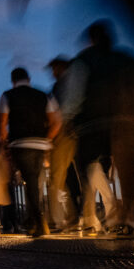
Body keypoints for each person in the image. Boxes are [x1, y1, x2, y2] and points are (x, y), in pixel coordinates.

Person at [64, 21, 134, 236]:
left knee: (87, 165)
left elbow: (74, 95)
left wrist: (69, 118)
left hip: (94, 121)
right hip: (128, 119)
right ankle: (131, 216)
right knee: (128, 167)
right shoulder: (128, 59)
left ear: (91, 40)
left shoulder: (82, 61)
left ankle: (101, 215)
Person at [0, 68, 61, 237]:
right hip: (40, 145)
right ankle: (33, 221)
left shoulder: (7, 96)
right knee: (35, 181)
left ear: (13, 80)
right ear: (29, 78)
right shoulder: (44, 95)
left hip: (20, 143)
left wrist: (5, 145)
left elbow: (2, 125)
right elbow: (56, 121)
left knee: (30, 181)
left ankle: (39, 223)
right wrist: (46, 138)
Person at [46, 56, 81, 230]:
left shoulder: (62, 85)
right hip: (73, 131)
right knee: (66, 177)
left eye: (54, 68)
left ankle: (57, 220)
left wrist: (54, 130)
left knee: (56, 177)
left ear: (61, 67)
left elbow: (62, 110)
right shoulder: (68, 83)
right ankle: (73, 216)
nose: (53, 72)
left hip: (63, 131)